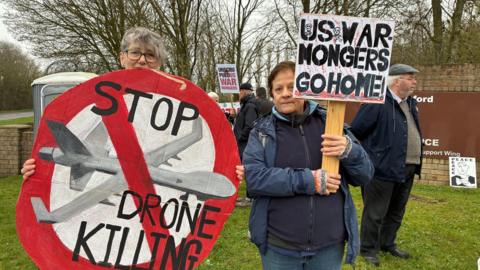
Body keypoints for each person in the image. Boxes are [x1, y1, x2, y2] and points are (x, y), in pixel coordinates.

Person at [22, 27, 245, 182]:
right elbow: (68, 154)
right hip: (104, 213)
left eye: (151, 55)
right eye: (135, 52)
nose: (142, 60)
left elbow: (199, 153)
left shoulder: (178, 108)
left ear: (160, 63)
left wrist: (228, 168)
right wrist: (39, 171)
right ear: (122, 57)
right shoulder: (96, 101)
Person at [242, 61, 374, 269]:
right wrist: (309, 180)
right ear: (272, 94)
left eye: (292, 87)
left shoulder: (331, 124)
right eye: (278, 89)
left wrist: (350, 151)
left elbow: (365, 175)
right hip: (279, 247)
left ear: (306, 87)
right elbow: (255, 179)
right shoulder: (261, 132)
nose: (285, 94)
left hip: (329, 247)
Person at [350, 64, 423, 267]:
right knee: (375, 212)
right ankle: (368, 249)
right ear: (396, 80)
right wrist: (371, 159)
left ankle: (387, 243)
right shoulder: (376, 101)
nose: (414, 81)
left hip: (407, 167)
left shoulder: (411, 103)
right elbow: (357, 131)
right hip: (381, 169)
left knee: (397, 210)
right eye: (410, 77)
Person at [233, 82, 258, 160]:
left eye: (240, 92)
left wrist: (240, 137)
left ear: (244, 91)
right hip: (242, 144)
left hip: (244, 145)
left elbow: (250, 125)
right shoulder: (245, 104)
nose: (239, 94)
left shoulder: (250, 105)